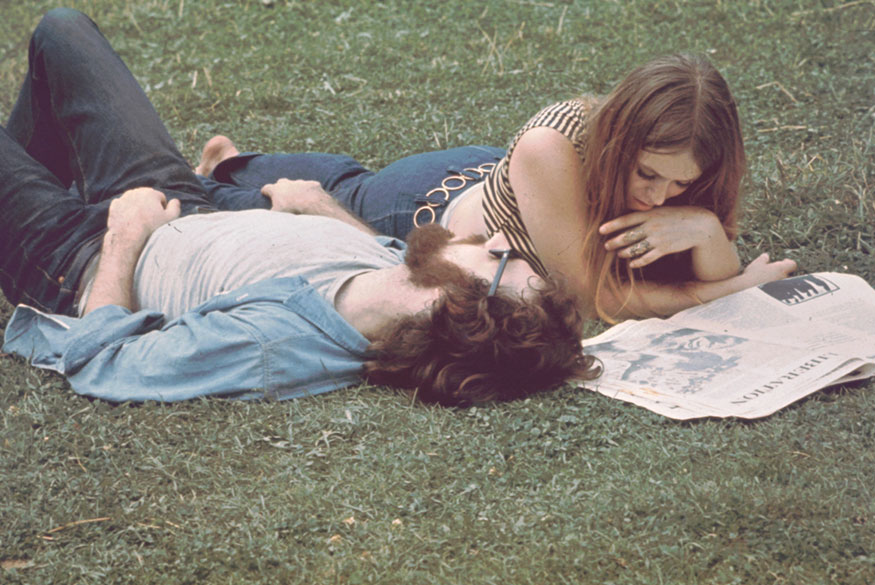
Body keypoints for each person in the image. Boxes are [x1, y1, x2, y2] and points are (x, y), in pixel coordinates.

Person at [0, 8, 598, 407]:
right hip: (185, 203)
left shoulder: (274, 347)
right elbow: (380, 252)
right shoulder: (399, 282)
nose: (499, 239)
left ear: (462, 308)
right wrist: (320, 208)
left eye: (503, 260)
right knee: (63, 29)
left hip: (80, 258)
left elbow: (104, 363)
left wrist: (124, 237)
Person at [195, 57, 797, 322]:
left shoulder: (688, 165)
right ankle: (221, 181)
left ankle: (233, 158)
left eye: (681, 184)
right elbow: (594, 299)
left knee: (348, 177)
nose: (661, 198)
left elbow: (717, 264)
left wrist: (705, 228)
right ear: (617, 141)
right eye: (647, 174)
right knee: (340, 195)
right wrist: (717, 294)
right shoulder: (552, 145)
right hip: (425, 206)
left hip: (502, 182)